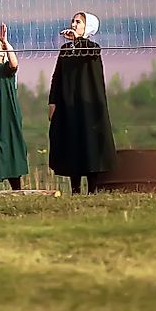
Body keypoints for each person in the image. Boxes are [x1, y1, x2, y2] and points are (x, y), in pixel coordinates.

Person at [48, 12, 116, 194]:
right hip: (68, 106)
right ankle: (75, 189)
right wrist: (52, 102)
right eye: (73, 21)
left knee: (90, 145)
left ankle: (92, 190)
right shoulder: (65, 50)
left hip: (88, 107)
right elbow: (57, 77)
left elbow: (91, 52)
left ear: (88, 27)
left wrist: (78, 40)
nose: (74, 24)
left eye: (79, 22)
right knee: (71, 145)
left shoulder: (92, 48)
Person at [0, 23, 29, 190]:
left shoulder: (4, 70)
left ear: (3, 52)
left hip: (7, 114)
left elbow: (14, 64)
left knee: (11, 146)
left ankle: (16, 187)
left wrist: (6, 42)